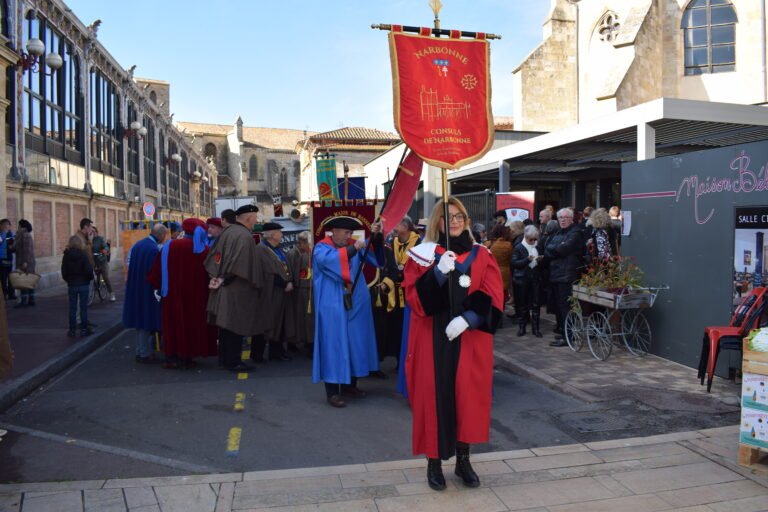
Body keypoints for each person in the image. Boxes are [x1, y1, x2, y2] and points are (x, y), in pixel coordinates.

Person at [403, 197, 503, 491]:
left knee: (466, 398)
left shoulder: (481, 255)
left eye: (460, 216)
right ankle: (434, 464)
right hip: (431, 338)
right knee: (434, 399)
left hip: (468, 340)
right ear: (439, 222)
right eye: (449, 217)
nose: (456, 221)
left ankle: (463, 461)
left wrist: (469, 319)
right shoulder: (422, 255)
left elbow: (494, 295)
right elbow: (413, 299)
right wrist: (436, 273)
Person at [312, 216, 383, 408]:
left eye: (351, 233)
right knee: (334, 346)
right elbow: (334, 261)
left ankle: (351, 385)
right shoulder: (321, 249)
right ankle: (333, 392)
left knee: (354, 343)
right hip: (332, 308)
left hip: (355, 306)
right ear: (333, 231)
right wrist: (354, 248)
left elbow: (376, 257)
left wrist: (375, 236)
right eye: (345, 232)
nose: (348, 236)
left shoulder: (355, 246)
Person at [148, 218, 217, 369]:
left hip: (172, 296)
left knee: (173, 324)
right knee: (192, 325)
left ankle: (172, 356)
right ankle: (188, 356)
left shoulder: (169, 245)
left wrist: (159, 287)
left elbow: (156, 272)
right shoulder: (203, 250)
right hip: (196, 296)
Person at [205, 204, 263, 373]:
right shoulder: (244, 235)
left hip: (224, 285)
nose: (256, 221)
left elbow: (213, 257)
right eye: (255, 218)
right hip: (236, 288)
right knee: (235, 326)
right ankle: (233, 361)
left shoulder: (227, 232)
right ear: (249, 217)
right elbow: (241, 265)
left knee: (225, 326)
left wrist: (217, 277)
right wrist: (225, 279)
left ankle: (224, 359)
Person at [123, 224, 168, 363]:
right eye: (164, 235)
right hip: (147, 289)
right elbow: (156, 273)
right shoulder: (153, 249)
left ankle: (140, 350)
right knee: (145, 320)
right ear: (160, 235)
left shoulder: (138, 245)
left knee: (139, 320)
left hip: (137, 286)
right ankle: (144, 353)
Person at [252, 222, 294, 363]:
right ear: (271, 234)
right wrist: (284, 284)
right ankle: (257, 354)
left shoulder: (278, 249)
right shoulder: (261, 250)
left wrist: (289, 281)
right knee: (265, 322)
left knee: (279, 322)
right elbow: (267, 272)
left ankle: (277, 352)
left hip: (280, 292)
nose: (282, 235)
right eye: (279, 232)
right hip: (269, 292)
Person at [543, 208, 583, 347]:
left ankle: (569, 337)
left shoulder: (576, 232)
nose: (563, 220)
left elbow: (565, 248)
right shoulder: (558, 232)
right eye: (560, 218)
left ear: (572, 219)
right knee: (558, 306)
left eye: (566, 217)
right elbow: (547, 248)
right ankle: (563, 332)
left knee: (566, 306)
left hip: (567, 275)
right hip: (556, 274)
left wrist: (557, 248)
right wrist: (557, 248)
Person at [511, 225, 544, 337]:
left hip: (535, 279)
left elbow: (543, 264)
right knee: (522, 304)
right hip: (522, 279)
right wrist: (526, 260)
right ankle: (522, 328)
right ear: (525, 236)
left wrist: (540, 260)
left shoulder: (538, 247)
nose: (533, 241)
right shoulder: (518, 247)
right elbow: (514, 263)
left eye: (535, 239)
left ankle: (536, 329)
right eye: (531, 239)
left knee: (536, 304)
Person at [61, 235, 94, 337]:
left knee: (72, 308)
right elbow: (88, 270)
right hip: (83, 284)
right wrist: (89, 279)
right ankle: (84, 329)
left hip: (72, 285)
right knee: (83, 308)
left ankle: (72, 330)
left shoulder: (66, 256)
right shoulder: (83, 255)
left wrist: (69, 280)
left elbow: (64, 271)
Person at [287, 231, 314, 355]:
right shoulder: (303, 255)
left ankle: (305, 340)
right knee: (306, 318)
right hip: (305, 289)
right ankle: (308, 342)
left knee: (305, 318)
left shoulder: (306, 254)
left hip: (304, 288)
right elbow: (301, 274)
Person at [484, 224, 513, 310]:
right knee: (502, 296)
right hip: (505, 273)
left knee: (492, 294)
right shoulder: (508, 245)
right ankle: (500, 311)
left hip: (491, 272)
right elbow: (511, 259)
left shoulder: (488, 244)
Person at [14, 219, 35, 309]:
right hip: (28, 262)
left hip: (25, 262)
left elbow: (27, 250)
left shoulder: (24, 235)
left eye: (18, 225)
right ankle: (31, 299)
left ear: (22, 226)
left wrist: (25, 262)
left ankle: (24, 301)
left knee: (23, 282)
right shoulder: (23, 235)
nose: (17, 227)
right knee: (29, 281)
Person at [91, 226, 115, 302]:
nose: (93, 233)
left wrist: (105, 250)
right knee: (93, 277)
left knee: (105, 277)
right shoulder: (88, 240)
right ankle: (94, 290)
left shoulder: (100, 239)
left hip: (102, 260)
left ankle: (111, 293)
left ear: (96, 232)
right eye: (91, 231)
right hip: (94, 261)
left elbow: (105, 246)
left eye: (94, 231)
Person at [0, 219, 15, 301]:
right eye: (4, 224)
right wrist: (3, 235)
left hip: (9, 258)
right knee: (3, 278)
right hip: (1, 259)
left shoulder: (11, 234)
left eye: (7, 224)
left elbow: (13, 244)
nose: (6, 226)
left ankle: (11, 294)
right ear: (0, 225)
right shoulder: (0, 234)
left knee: (11, 278)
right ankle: (4, 294)